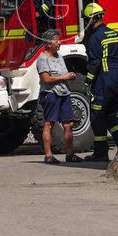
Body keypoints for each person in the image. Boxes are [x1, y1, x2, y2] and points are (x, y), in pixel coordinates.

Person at [82, 3, 118, 163]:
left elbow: (95, 62)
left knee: (96, 114)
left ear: (91, 19)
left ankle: (101, 152)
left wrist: (87, 81)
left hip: (105, 79)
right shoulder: (113, 33)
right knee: (110, 114)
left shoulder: (96, 37)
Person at [36, 29, 83, 164]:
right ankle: (48, 155)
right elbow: (46, 79)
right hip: (51, 94)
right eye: (56, 40)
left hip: (64, 93)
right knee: (49, 124)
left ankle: (70, 154)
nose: (59, 42)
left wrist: (71, 76)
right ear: (48, 43)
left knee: (68, 125)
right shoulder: (42, 59)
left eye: (58, 40)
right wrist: (64, 77)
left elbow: (64, 74)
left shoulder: (60, 57)